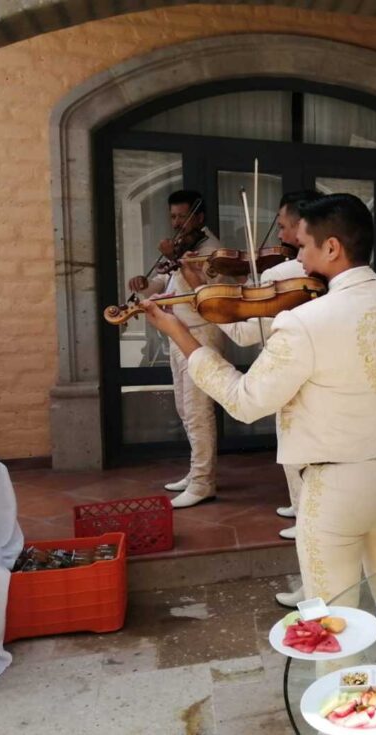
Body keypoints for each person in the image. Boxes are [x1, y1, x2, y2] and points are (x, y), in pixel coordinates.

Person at [142, 193, 376, 606]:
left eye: (304, 246)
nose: (299, 259)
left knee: (332, 617)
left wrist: (179, 333)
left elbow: (245, 401)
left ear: (332, 247)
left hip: (336, 485)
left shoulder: (304, 320)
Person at [202, 189, 321, 546]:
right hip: (308, 367)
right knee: (300, 448)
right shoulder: (299, 271)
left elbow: (241, 334)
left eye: (284, 227)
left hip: (288, 369)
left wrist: (211, 299)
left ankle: (305, 516)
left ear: (302, 228)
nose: (279, 236)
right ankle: (299, 506)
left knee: (294, 448)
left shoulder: (286, 272)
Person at [127, 190, 225, 509]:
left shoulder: (211, 250)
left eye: (183, 217)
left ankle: (203, 482)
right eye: (173, 217)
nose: (177, 223)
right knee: (184, 408)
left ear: (199, 218)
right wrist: (144, 284)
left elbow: (206, 291)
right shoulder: (180, 249)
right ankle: (197, 470)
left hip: (199, 334)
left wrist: (175, 259)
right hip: (176, 333)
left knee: (197, 410)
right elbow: (162, 284)